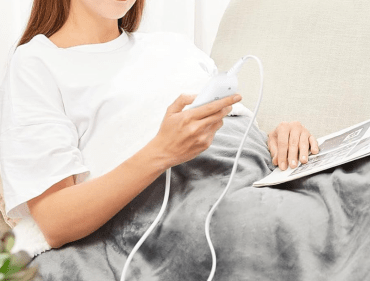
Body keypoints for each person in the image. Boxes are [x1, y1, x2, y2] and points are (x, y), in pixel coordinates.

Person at [0, 0, 319, 255]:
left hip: (271, 181)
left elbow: (228, 128)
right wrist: (160, 153)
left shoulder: (173, 46)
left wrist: (278, 140)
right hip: (209, 212)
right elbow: (55, 220)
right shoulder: (37, 63)